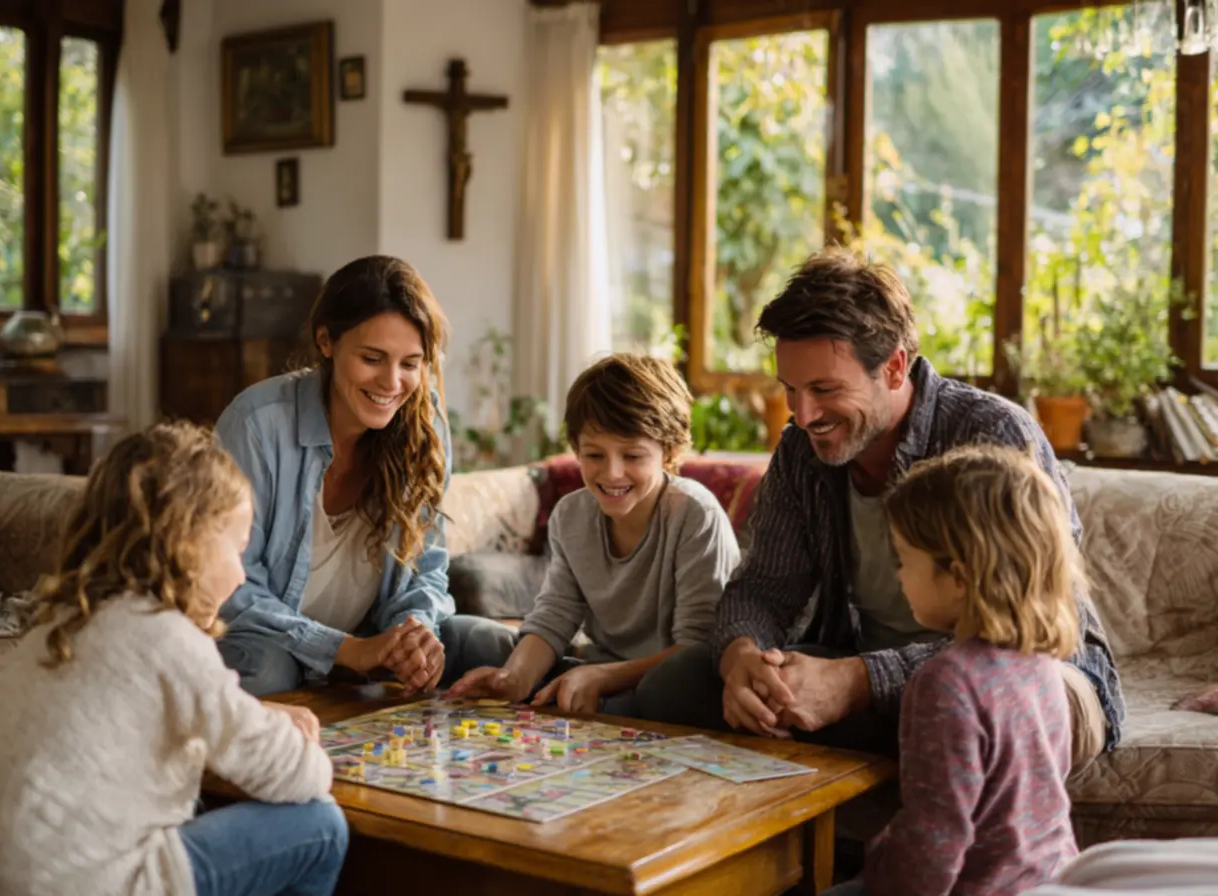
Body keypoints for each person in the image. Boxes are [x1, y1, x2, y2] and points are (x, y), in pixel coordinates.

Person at [637, 247, 1124, 769]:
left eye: (824, 389)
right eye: (790, 390)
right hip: (863, 675)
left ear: (894, 366)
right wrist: (743, 661)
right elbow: (763, 588)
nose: (802, 415)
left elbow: (1027, 628)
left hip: (1028, 673)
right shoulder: (801, 449)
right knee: (675, 687)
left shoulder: (991, 435)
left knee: (970, 705)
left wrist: (859, 681)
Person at [0, 422, 348, 896]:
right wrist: (308, 752)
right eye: (238, 550)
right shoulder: (165, 634)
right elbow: (294, 775)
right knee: (320, 824)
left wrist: (253, 715)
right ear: (188, 541)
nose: (241, 574)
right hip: (73, 884)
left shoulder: (57, 626)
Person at [822, 444, 1081, 896]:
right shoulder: (1041, 664)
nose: (899, 576)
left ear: (958, 577)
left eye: (904, 559)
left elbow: (934, 844)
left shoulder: (948, 683)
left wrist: (879, 863)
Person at [214, 255, 458, 697]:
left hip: (371, 637)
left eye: (411, 363)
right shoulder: (257, 424)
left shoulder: (426, 427)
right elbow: (230, 587)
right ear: (326, 341)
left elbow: (429, 570)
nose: (392, 382)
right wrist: (345, 650)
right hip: (269, 640)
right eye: (372, 358)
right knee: (269, 673)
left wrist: (414, 632)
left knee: (485, 643)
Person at [445, 353, 741, 716]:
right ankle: (575, 692)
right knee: (462, 635)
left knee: (675, 683)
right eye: (594, 455)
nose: (612, 473)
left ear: (669, 452)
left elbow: (699, 646)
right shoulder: (571, 515)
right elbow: (555, 615)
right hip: (594, 666)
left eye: (633, 456)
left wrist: (601, 677)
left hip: (665, 678)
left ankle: (589, 694)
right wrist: (514, 678)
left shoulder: (696, 515)